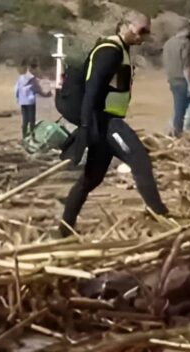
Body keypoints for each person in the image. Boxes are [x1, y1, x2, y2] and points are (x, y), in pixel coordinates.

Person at [59, 10, 169, 237]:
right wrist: (87, 127)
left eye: (147, 32)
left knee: (91, 179)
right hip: (104, 121)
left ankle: (63, 230)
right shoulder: (110, 51)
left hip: (105, 120)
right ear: (125, 26)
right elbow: (92, 88)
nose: (144, 37)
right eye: (141, 31)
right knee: (139, 159)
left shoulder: (120, 49)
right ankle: (162, 217)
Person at [14, 59, 51, 142]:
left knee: (25, 120)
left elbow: (16, 89)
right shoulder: (33, 79)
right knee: (31, 120)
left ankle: (24, 137)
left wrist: (18, 98)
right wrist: (46, 94)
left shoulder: (21, 78)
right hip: (30, 101)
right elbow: (38, 90)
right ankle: (32, 138)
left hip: (22, 101)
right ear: (33, 68)